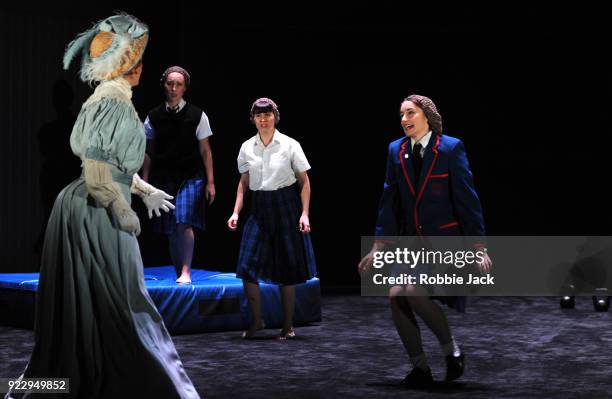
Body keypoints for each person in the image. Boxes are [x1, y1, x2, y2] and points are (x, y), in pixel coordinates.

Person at [6, 14, 200, 398]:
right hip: (96, 208)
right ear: (129, 65)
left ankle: (93, 375)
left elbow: (113, 165)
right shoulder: (111, 101)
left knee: (99, 300)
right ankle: (132, 381)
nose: (144, 67)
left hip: (96, 204)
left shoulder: (113, 100)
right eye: (139, 59)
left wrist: (143, 191)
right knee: (122, 298)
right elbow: (96, 170)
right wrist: (123, 209)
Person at [358, 94, 492, 387]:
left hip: (444, 240)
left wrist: (479, 247)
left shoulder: (450, 148)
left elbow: (468, 200)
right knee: (396, 295)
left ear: (426, 116)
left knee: (414, 291)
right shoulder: (396, 150)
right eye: (401, 115)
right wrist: (378, 246)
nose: (404, 119)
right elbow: (389, 202)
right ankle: (420, 368)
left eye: (410, 113)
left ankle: (451, 351)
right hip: (410, 242)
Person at [227, 98, 316, 340]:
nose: (263, 119)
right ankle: (258, 321)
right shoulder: (247, 147)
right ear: (253, 119)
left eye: (267, 115)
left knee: (287, 268)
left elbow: (304, 181)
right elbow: (243, 182)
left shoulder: (289, 145)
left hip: (286, 204)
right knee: (246, 267)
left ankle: (288, 326)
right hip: (259, 207)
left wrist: (305, 213)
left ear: (275, 117)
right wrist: (236, 212)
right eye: (259, 115)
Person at [142, 66, 215, 284]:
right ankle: (178, 271)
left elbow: (205, 149)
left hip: (191, 175)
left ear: (185, 88)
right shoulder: (154, 116)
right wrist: (145, 181)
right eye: (169, 84)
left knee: (184, 221)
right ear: (164, 85)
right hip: (165, 176)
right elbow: (148, 150)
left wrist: (211, 182)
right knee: (171, 228)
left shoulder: (197, 115)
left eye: (178, 84)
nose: (173, 88)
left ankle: (186, 271)